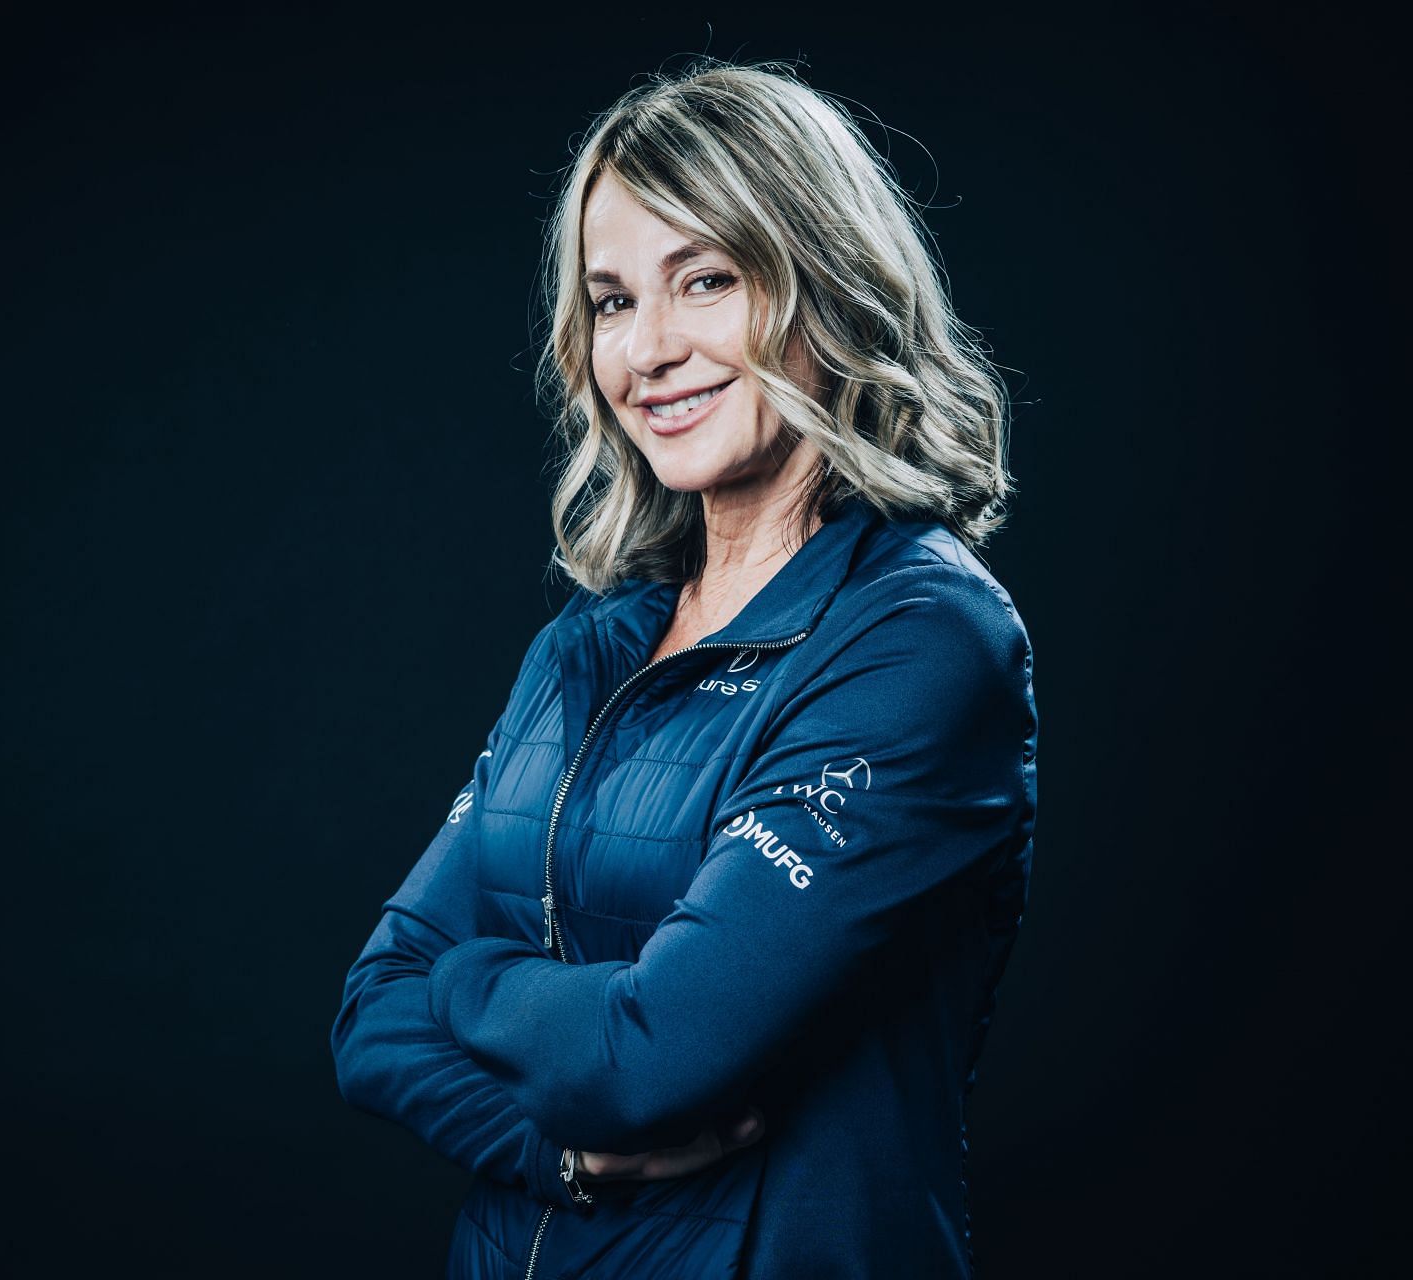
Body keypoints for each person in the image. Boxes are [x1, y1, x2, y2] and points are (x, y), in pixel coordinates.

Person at [330, 58, 1037, 1279]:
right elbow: (367, 1016)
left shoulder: (918, 641)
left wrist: (469, 973)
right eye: (612, 301)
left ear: (828, 287)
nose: (647, 349)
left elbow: (650, 1057)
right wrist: (556, 1148)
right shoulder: (587, 646)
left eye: (704, 280)